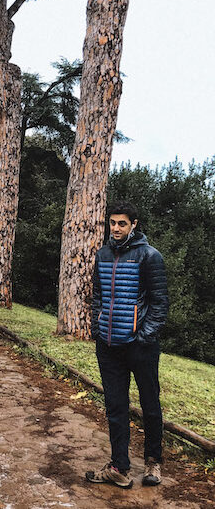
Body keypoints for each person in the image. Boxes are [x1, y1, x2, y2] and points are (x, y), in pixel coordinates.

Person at [86, 201, 168, 489]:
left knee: (150, 405)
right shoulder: (102, 254)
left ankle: (153, 463)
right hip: (109, 346)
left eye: (122, 223)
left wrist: (143, 337)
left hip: (140, 347)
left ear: (134, 224)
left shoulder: (150, 256)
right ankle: (119, 467)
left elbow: (159, 305)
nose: (116, 228)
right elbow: (97, 295)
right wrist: (97, 328)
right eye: (112, 222)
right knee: (115, 407)